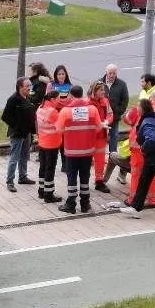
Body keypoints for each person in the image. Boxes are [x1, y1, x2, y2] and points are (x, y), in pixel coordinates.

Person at [55, 85, 103, 214]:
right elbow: (99, 128)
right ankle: (85, 204)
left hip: (71, 151)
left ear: (71, 95)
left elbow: (59, 130)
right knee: (85, 177)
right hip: (87, 150)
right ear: (82, 94)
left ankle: (71, 204)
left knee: (72, 177)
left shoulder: (65, 111)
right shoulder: (92, 109)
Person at [1, 77, 37, 192]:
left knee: (25, 156)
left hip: (27, 133)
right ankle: (10, 182)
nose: (29, 88)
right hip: (17, 134)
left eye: (30, 85)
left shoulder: (27, 97)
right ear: (20, 87)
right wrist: (16, 126)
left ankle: (23, 177)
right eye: (27, 86)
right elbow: (5, 117)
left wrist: (32, 131)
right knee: (14, 158)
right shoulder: (13, 100)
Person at [35, 91, 63, 203]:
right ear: (52, 99)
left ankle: (41, 191)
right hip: (52, 144)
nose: (59, 100)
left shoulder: (40, 108)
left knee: (43, 167)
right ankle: (49, 194)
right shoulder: (52, 111)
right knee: (50, 169)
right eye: (58, 98)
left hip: (42, 142)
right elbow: (60, 127)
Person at [87, 81, 114, 193]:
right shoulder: (87, 103)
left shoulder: (105, 101)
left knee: (100, 160)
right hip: (89, 136)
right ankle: (84, 181)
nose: (104, 92)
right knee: (86, 160)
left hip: (101, 136)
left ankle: (99, 181)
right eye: (101, 90)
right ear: (95, 91)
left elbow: (110, 114)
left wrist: (106, 122)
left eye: (104, 89)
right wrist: (98, 124)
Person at [100, 63, 129, 154]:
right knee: (100, 136)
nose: (112, 75)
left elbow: (125, 100)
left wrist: (118, 111)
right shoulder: (99, 83)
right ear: (106, 72)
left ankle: (113, 155)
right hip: (101, 116)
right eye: (110, 73)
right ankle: (100, 154)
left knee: (114, 135)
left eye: (114, 73)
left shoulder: (122, 84)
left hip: (114, 116)